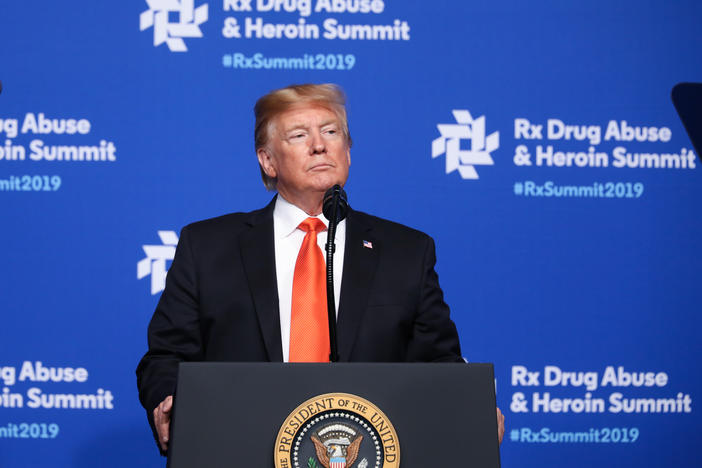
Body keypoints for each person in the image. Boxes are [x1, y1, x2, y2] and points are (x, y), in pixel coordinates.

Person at [136, 83, 505, 454]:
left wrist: (468, 406)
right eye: (299, 135)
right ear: (267, 161)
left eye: (331, 132)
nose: (319, 145)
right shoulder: (208, 247)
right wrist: (169, 398)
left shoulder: (406, 251)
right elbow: (166, 356)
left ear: (347, 150)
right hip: (240, 449)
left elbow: (439, 362)